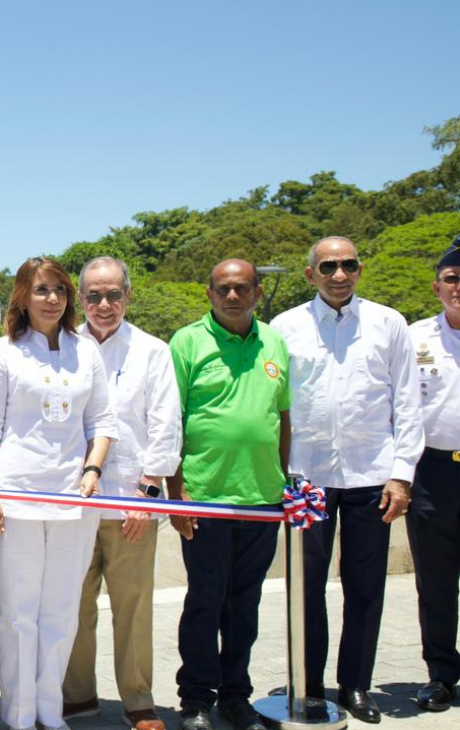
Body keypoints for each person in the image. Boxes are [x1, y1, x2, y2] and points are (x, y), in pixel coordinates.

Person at [271, 236, 422, 724]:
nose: (340, 273)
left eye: (349, 264)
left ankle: (355, 684)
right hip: (306, 477)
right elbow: (273, 407)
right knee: (306, 585)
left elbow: (408, 404)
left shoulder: (388, 323)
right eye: (329, 265)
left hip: (371, 474)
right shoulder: (285, 327)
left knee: (365, 587)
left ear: (359, 269)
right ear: (310, 273)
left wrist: (401, 476)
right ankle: (310, 684)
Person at [0, 256, 117, 730]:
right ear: (22, 297)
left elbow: (101, 421)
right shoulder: (3, 352)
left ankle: (50, 715)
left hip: (75, 499)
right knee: (18, 614)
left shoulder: (86, 350)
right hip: (15, 499)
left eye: (59, 289)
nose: (52, 298)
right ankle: (18, 717)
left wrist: (93, 470)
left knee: (60, 612)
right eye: (40, 290)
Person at [167, 259, 290, 730]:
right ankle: (196, 697)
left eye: (242, 288)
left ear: (257, 291)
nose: (233, 296)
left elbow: (282, 418)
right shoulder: (187, 342)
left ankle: (236, 695)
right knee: (205, 600)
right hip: (205, 500)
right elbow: (171, 423)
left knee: (246, 603)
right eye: (224, 288)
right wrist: (177, 498)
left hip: (261, 500)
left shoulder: (274, 340)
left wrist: (282, 481)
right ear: (209, 292)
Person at [62, 257, 181, 730]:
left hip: (131, 500)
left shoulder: (153, 351)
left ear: (128, 297)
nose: (103, 305)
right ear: (81, 298)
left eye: (113, 295)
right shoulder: (63, 348)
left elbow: (166, 425)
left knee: (133, 607)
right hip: (74, 501)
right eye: (93, 295)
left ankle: (137, 698)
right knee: (74, 604)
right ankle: (76, 695)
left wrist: (147, 495)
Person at [405, 238, 460, 713]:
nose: (459, 287)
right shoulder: (416, 337)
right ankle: (441, 675)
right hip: (433, 473)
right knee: (436, 583)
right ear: (437, 287)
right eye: (452, 278)